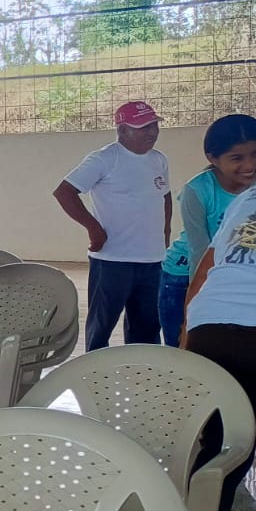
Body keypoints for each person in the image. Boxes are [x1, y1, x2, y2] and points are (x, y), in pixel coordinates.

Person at [182, 175, 256, 511]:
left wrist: (188, 335)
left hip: (213, 326)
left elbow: (208, 266)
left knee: (222, 449)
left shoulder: (253, 195)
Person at [52, 100, 171, 350]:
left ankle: (141, 369)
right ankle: (95, 369)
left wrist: (166, 232)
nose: (152, 132)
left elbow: (165, 195)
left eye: (154, 125)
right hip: (113, 260)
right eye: (143, 127)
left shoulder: (158, 159)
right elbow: (64, 192)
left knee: (148, 327)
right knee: (101, 325)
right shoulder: (105, 159)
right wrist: (93, 228)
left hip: (152, 260)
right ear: (122, 129)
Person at [160, 115, 256, 348]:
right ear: (213, 158)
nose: (250, 165)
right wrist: (190, 314)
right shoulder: (198, 190)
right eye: (237, 158)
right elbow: (199, 253)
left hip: (237, 273)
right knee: (182, 350)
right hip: (184, 276)